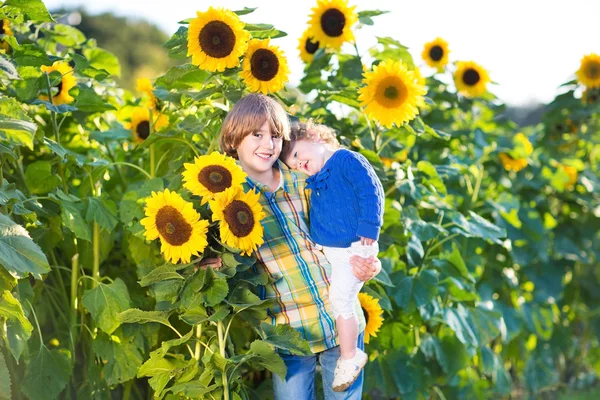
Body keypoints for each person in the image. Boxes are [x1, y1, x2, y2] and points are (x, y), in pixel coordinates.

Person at [210, 93, 381, 399]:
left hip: (337, 322)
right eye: (257, 134)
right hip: (287, 330)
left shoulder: (301, 177)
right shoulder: (227, 198)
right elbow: (222, 253)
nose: (268, 144)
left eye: (276, 136)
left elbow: (348, 219)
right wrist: (214, 263)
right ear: (234, 138)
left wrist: (370, 260)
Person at [280, 121, 384, 392]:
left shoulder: (344, 159)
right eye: (293, 165)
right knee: (340, 298)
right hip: (336, 252)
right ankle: (348, 355)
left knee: (341, 300)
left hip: (355, 247)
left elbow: (371, 190)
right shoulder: (316, 179)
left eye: (295, 155)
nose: (298, 164)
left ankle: (350, 357)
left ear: (314, 136)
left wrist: (370, 229)